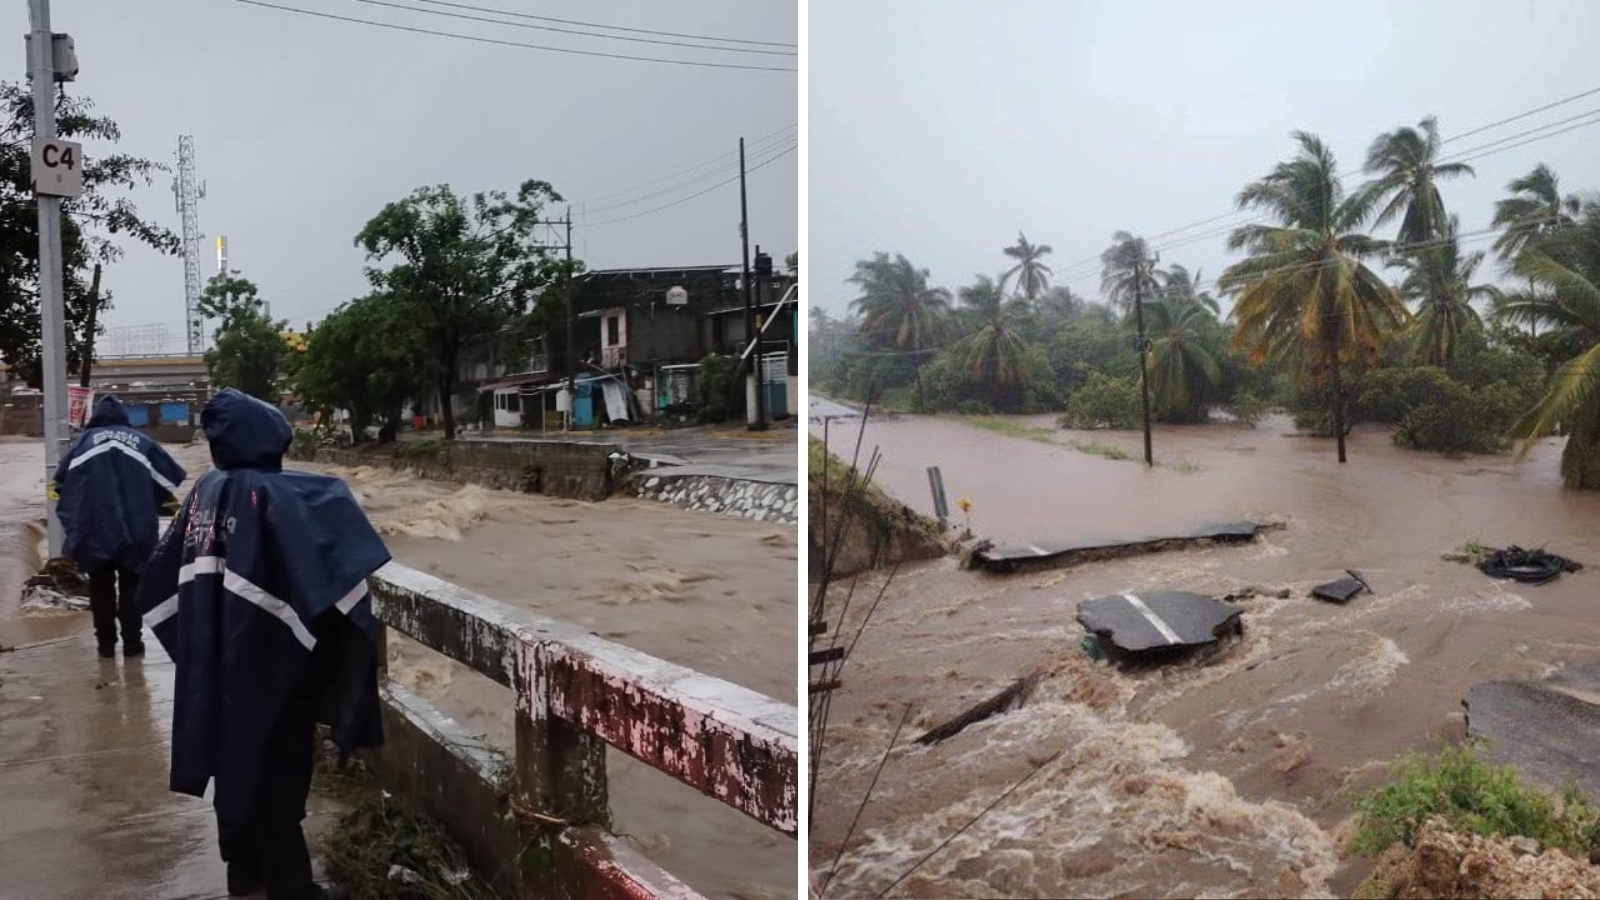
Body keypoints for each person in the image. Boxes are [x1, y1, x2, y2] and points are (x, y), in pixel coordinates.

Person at [137, 389, 390, 900]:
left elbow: (163, 576)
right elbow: (327, 568)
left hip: (220, 659)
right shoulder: (282, 496)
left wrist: (200, 650)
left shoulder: (206, 489)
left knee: (232, 764)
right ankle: (293, 888)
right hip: (271, 665)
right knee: (279, 774)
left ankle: (245, 875)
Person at [54, 394, 187, 658]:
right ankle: (132, 644)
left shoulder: (81, 444)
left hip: (93, 531)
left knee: (99, 587)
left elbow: (60, 487)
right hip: (136, 529)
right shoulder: (144, 443)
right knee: (131, 587)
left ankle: (105, 646)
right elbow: (169, 482)